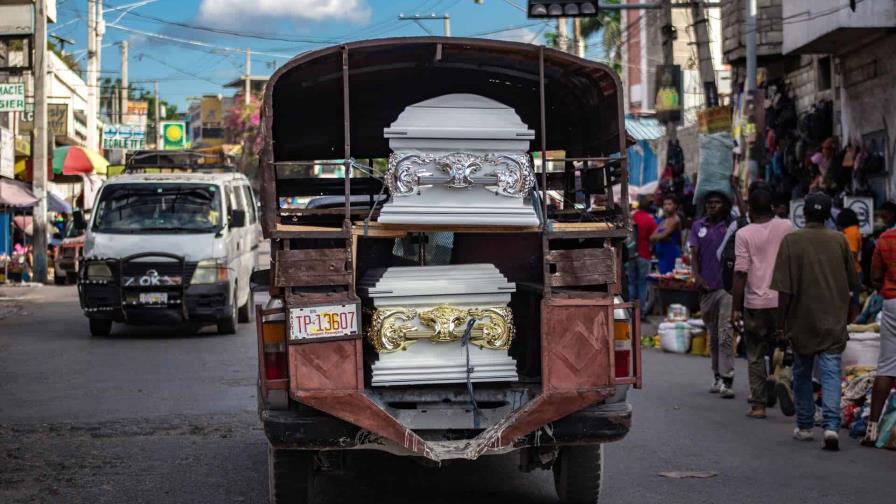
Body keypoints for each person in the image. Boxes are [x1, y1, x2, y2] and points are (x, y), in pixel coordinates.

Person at [771, 192, 861, 451]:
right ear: (828, 214)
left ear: (804, 214)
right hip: (833, 319)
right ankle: (831, 427)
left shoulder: (791, 241)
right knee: (831, 372)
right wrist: (851, 315)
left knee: (802, 371)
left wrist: (781, 324)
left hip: (802, 320)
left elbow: (784, 290)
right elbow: (853, 284)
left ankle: (805, 425)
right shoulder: (840, 240)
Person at [731, 187, 794, 419]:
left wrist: (735, 308)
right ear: (772, 207)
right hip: (783, 301)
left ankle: (758, 405)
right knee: (784, 344)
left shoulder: (744, 234)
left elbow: (740, 273)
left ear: (751, 210)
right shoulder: (786, 226)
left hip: (755, 304)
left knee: (755, 353)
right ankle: (780, 377)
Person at [689, 191, 736, 398]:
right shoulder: (698, 226)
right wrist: (696, 276)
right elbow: (694, 254)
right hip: (706, 288)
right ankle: (717, 374)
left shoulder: (732, 226)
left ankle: (728, 378)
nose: (713, 206)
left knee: (725, 332)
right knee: (714, 335)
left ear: (725, 206)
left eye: (717, 203)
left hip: (727, 289)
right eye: (710, 203)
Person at [864, 226, 896, 446]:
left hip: (892, 303)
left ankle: (871, 429)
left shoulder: (886, 238)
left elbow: (875, 276)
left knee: (886, 366)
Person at [628, 196, 657, 320]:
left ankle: (630, 311)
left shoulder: (632, 216)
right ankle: (641, 313)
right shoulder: (650, 220)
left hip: (631, 254)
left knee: (632, 283)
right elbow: (654, 238)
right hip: (644, 255)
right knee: (642, 284)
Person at [837, 208, 863, 317]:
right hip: (855, 271)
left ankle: (853, 324)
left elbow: (851, 255)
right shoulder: (855, 230)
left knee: (853, 301)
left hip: (852, 272)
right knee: (853, 300)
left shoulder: (851, 232)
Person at [650, 195, 681, 275]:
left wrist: (657, 237)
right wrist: (657, 237)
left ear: (675, 206)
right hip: (661, 256)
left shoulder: (675, 219)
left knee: (670, 279)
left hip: (671, 254)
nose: (666, 207)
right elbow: (652, 236)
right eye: (665, 204)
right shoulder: (663, 220)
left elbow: (661, 235)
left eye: (669, 204)